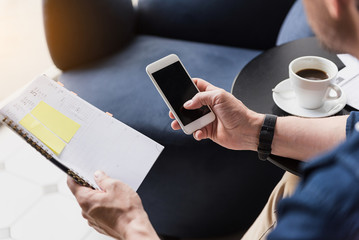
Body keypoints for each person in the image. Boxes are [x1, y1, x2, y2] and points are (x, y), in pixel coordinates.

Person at [67, 0, 359, 239]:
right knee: (292, 179)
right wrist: (254, 129)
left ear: (335, 4)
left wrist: (131, 226)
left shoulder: (331, 201)